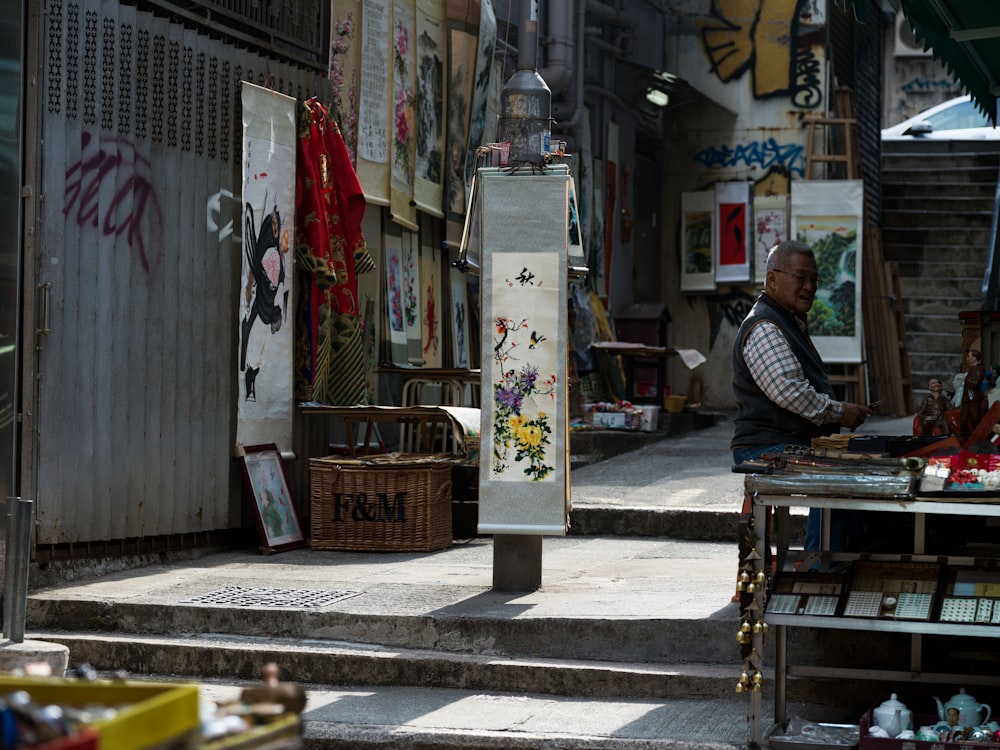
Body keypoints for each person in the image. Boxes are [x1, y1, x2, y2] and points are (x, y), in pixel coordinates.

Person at [731, 240, 872, 550]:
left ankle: (843, 560)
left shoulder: (786, 321)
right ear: (772, 280)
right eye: (800, 277)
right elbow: (791, 394)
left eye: (814, 279)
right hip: (766, 446)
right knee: (837, 470)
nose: (809, 286)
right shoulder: (765, 326)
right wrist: (840, 412)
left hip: (785, 441)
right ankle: (821, 567)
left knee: (861, 460)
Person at [960, 348, 986, 433]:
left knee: (975, 420)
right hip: (967, 398)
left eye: (969, 356)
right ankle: (966, 439)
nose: (967, 359)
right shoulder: (971, 369)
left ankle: (978, 438)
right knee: (963, 421)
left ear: (974, 358)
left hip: (974, 399)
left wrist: (966, 379)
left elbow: (975, 384)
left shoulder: (979, 370)